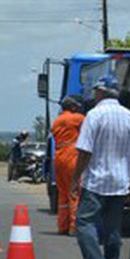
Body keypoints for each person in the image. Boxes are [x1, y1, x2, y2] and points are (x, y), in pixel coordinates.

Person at [71, 76, 130, 259]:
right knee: (113, 229)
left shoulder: (94, 115)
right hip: (120, 181)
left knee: (84, 222)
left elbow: (84, 151)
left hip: (97, 180)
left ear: (100, 92)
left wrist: (76, 178)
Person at [51, 95, 85, 235]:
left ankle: (62, 225)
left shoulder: (57, 121)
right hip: (72, 155)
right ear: (72, 107)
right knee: (75, 191)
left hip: (59, 156)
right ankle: (74, 226)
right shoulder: (77, 118)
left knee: (63, 193)